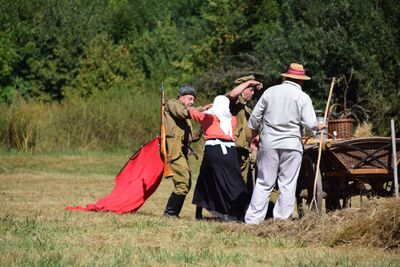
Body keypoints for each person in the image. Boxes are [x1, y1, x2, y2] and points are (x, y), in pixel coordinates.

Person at [244, 63, 324, 224]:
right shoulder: (303, 97)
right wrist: (317, 126)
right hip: (292, 144)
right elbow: (310, 123)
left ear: (286, 77)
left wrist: (254, 135)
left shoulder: (270, 92)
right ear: (301, 81)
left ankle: (253, 220)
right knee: (287, 183)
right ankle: (281, 220)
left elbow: (253, 119)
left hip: (269, 144)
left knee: (264, 182)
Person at [190, 95, 250, 221]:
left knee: (205, 179)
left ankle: (200, 212)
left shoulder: (208, 117)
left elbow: (192, 112)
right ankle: (237, 211)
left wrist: (203, 107)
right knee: (233, 180)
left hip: (214, 150)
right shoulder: (232, 119)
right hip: (230, 152)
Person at [163, 85, 207, 218]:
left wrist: (202, 127)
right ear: (181, 97)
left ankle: (172, 213)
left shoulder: (186, 117)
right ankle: (170, 213)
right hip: (174, 152)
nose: (192, 102)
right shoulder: (173, 104)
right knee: (183, 182)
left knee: (185, 183)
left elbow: (190, 138)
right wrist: (201, 109)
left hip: (181, 152)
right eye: (190, 98)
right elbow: (181, 112)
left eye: (193, 99)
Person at [226, 76, 263, 191]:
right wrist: (250, 82)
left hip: (244, 150)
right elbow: (232, 95)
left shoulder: (247, 109)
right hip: (233, 148)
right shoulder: (233, 102)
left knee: (242, 183)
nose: (252, 93)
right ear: (243, 88)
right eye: (250, 90)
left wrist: (257, 137)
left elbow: (254, 127)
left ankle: (238, 208)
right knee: (231, 181)